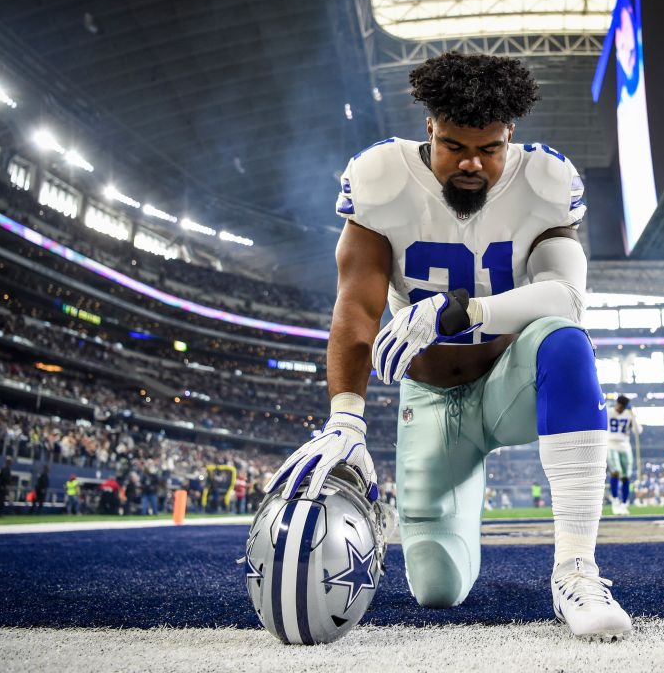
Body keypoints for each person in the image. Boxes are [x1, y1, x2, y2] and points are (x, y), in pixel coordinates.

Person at [269, 50, 631, 640]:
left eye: (489, 149)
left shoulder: (542, 181)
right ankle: (457, 496)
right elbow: (356, 307)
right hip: (432, 397)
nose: (471, 164)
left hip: (506, 384)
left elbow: (566, 296)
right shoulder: (382, 181)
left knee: (564, 340)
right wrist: (346, 419)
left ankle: (575, 572)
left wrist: (464, 311)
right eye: (454, 146)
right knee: (437, 589)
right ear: (428, 128)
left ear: (510, 134)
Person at [605, 395, 640, 516]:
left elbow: (638, 431)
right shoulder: (608, 412)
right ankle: (615, 501)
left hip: (625, 446)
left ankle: (624, 503)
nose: (621, 408)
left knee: (626, 476)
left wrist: (633, 416)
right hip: (611, 444)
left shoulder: (628, 414)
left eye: (623, 407)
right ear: (617, 403)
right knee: (616, 472)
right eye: (620, 405)